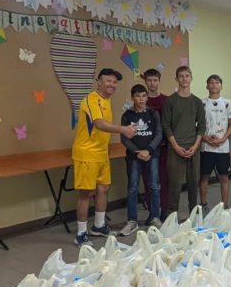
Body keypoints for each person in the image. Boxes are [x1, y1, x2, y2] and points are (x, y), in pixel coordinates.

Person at [72, 68, 136, 247]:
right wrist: (123, 129)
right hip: (86, 154)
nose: (112, 85)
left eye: (115, 82)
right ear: (99, 81)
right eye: (108, 81)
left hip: (101, 154)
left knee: (103, 189)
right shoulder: (91, 99)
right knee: (86, 193)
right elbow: (98, 124)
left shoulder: (107, 101)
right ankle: (81, 233)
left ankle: (99, 226)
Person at [162, 66, 206, 220]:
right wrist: (175, 146)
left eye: (187, 76)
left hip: (193, 148)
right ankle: (172, 217)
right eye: (181, 76)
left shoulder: (197, 102)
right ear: (177, 79)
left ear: (191, 78)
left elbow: (201, 126)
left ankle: (193, 215)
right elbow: (166, 126)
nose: (184, 79)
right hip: (175, 149)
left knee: (193, 184)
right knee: (174, 185)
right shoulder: (170, 101)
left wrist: (195, 146)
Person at [119, 84, 163, 236]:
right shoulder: (127, 115)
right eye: (138, 96)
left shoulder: (153, 114)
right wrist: (137, 151)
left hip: (152, 155)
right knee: (132, 188)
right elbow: (124, 138)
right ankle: (132, 221)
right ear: (133, 98)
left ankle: (154, 217)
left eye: (144, 95)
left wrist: (148, 150)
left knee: (154, 187)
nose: (141, 99)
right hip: (134, 157)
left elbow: (158, 134)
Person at [200, 75, 231, 208]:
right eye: (211, 83)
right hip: (206, 147)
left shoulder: (227, 102)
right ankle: (203, 204)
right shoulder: (201, 103)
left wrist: (224, 138)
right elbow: (197, 124)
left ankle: (224, 205)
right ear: (207, 86)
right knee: (204, 177)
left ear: (221, 86)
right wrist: (205, 137)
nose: (214, 85)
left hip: (223, 147)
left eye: (217, 83)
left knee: (224, 178)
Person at [142, 68, 169, 214]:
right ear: (145, 81)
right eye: (149, 80)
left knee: (164, 179)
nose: (152, 83)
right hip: (147, 148)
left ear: (159, 81)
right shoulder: (140, 100)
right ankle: (153, 213)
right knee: (149, 181)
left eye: (155, 80)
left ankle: (165, 210)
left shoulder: (166, 100)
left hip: (164, 147)